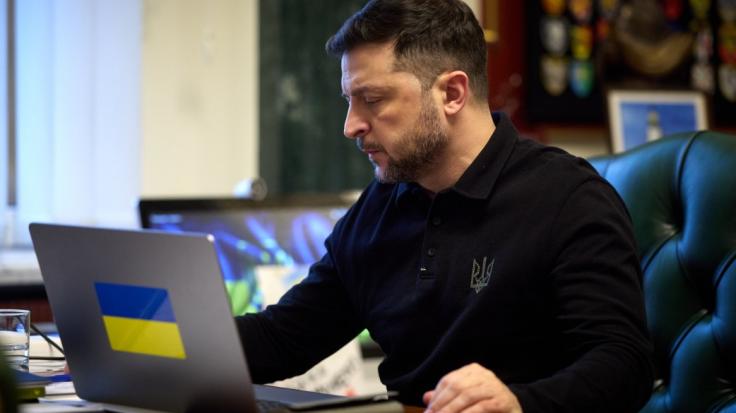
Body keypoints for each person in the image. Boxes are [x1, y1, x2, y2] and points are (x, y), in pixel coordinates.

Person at [236, 0, 654, 412]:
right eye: (349, 100)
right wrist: (197, 337)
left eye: (373, 99)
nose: (351, 126)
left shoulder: (569, 197)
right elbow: (285, 338)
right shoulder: (380, 206)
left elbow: (624, 367)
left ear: (452, 93)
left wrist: (519, 403)